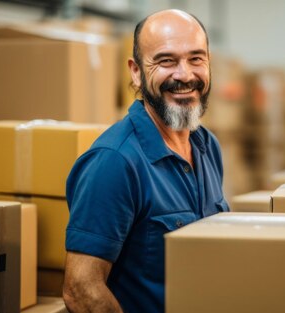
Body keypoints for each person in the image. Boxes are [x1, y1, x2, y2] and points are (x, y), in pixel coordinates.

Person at [62, 9, 229, 313]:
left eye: (196, 58)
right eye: (166, 61)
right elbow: (81, 290)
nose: (185, 75)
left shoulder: (208, 146)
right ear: (136, 72)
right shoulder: (115, 161)